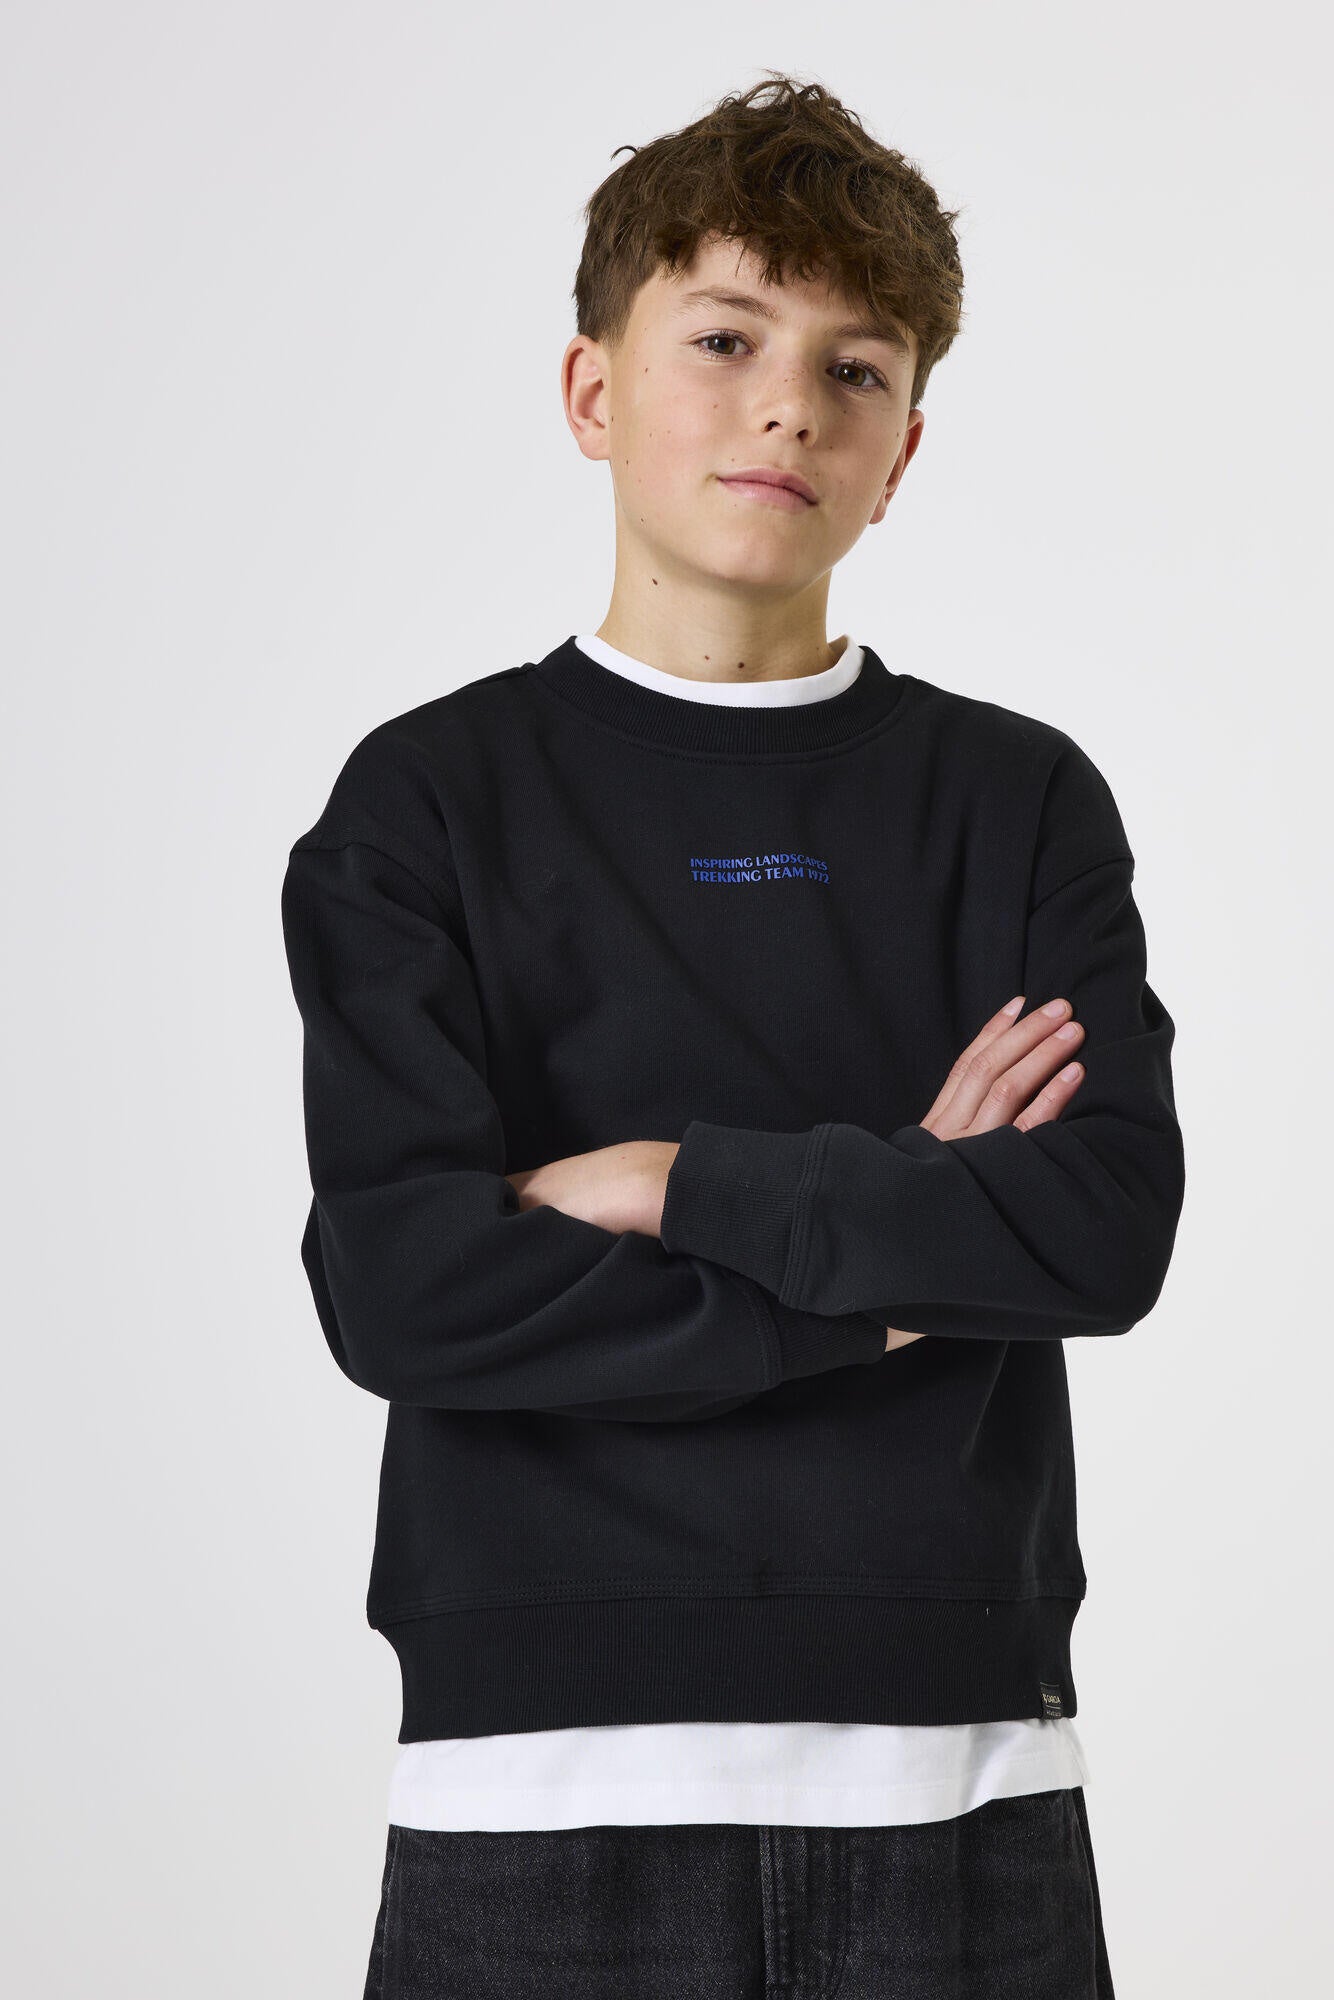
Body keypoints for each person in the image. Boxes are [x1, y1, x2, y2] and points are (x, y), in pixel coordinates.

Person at [280, 71, 1184, 1999]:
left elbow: (1101, 1230)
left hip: (959, 1768)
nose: (789, 406)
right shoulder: (424, 803)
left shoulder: (1016, 800)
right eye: (723, 338)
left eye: (854, 370)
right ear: (591, 390)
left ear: (901, 452)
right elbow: (406, 1291)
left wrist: (669, 1182)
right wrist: (903, 1248)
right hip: (537, 1787)